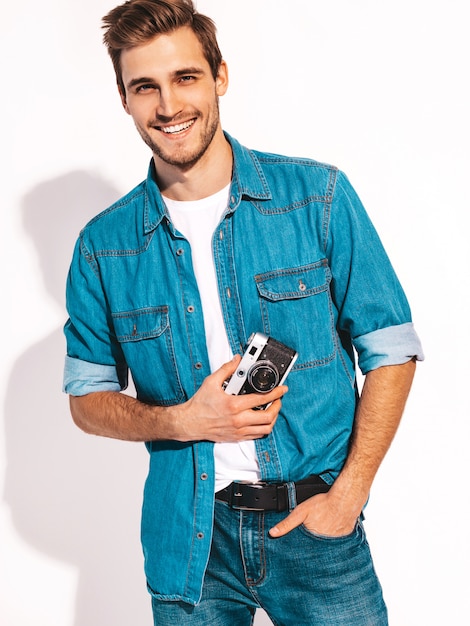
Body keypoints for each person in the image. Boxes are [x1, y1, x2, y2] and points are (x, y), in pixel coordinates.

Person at [63, 1, 424, 624]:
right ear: (123, 98)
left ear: (219, 76)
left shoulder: (317, 198)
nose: (169, 106)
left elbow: (392, 348)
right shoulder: (105, 246)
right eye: (144, 86)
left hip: (315, 530)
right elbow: (86, 400)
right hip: (189, 542)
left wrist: (351, 492)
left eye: (185, 77)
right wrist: (185, 420)